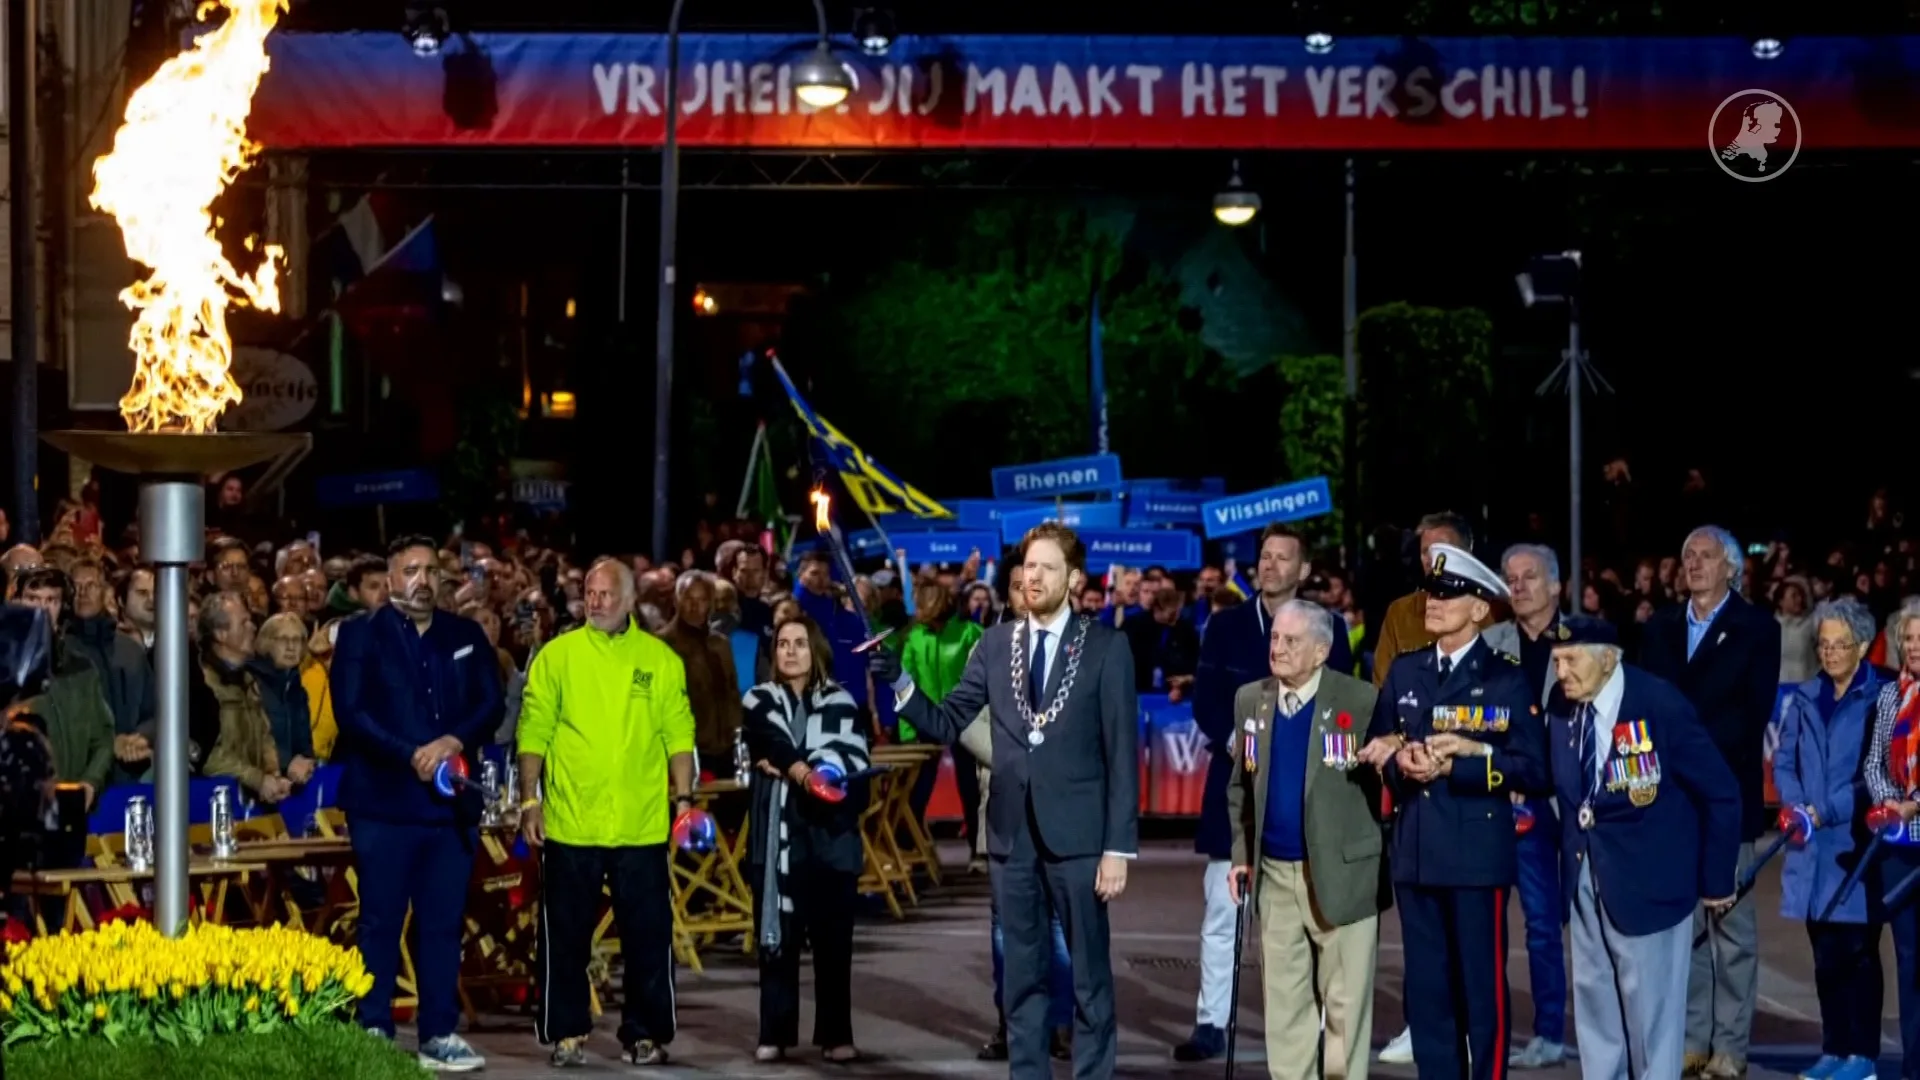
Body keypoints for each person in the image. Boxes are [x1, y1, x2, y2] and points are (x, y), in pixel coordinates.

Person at [872, 522, 1139, 1080]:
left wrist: (1119, 848)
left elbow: (1121, 755)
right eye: (1027, 567)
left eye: (1046, 568)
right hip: (1011, 838)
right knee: (1021, 980)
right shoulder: (995, 645)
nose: (1033, 577)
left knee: (1089, 981)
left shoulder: (1108, 648)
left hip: (1082, 841)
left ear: (1074, 579)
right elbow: (947, 721)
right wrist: (898, 682)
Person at [1358, 543, 1547, 1080]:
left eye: (1448, 593)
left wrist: (1457, 767)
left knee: (1480, 990)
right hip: (1416, 851)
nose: (1433, 602)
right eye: (1430, 592)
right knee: (1428, 992)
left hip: (1475, 855)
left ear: (1481, 608)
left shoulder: (1505, 677)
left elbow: (1533, 768)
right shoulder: (1407, 670)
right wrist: (1402, 762)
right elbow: (1381, 745)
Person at [517, 557, 698, 1068]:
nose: (594, 601)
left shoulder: (660, 659)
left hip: (640, 824)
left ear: (629, 597)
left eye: (604, 593)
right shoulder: (557, 656)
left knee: (648, 937)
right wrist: (531, 799)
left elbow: (678, 735)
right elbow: (534, 732)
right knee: (564, 936)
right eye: (589, 592)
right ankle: (565, 1033)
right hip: (572, 822)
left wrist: (683, 801)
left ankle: (645, 1034)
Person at [330, 535, 502, 1072]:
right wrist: (411, 755)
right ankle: (375, 1027)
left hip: (449, 809)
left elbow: (490, 704)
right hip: (382, 805)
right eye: (411, 570)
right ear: (389, 576)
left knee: (442, 923)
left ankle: (438, 1034)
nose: (422, 580)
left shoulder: (466, 634)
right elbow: (351, 713)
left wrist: (451, 742)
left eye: (430, 570)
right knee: (380, 920)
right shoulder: (360, 634)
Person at [1182, 522, 1351, 1062]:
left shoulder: (1332, 628)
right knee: (1221, 908)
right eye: (1265, 556)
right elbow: (1205, 700)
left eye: (1283, 558)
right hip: (1233, 787)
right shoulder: (1226, 625)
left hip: (1305, 795)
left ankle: (1322, 1026)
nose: (1270, 565)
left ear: (1304, 571)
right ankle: (1212, 1021)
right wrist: (1240, 742)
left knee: (1313, 914)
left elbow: (1342, 702)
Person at [1546, 624, 1740, 1080]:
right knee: (1596, 1012)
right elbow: (1546, 773)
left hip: (1651, 885)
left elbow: (1721, 792)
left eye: (1571, 659)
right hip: (1586, 878)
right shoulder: (1562, 705)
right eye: (1557, 661)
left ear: (1609, 658)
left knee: (1652, 1022)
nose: (1561, 672)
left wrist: (1715, 882)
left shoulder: (1659, 703)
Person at [1636, 526, 1782, 1080]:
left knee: (1732, 930)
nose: (1693, 564)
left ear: (1731, 568)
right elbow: (1645, 702)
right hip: (1669, 800)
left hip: (1724, 797)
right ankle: (1693, 1039)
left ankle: (1730, 1047)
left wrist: (1689, 754)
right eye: (1687, 556)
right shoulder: (1660, 629)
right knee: (1686, 928)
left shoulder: (1756, 629)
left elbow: (1751, 715)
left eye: (1705, 556)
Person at [1224, 599, 1385, 1080]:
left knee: (1344, 1006)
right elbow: (1241, 785)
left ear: (1321, 651)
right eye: (1275, 637)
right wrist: (1240, 854)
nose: (1278, 648)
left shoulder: (1361, 700)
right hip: (1274, 874)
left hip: (1342, 875)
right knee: (1286, 1009)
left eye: (1291, 641)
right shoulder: (1251, 698)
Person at [1483, 543, 1605, 1069]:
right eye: (1511, 578)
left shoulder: (1585, 639)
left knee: (1590, 920)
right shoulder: (1491, 642)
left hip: (1575, 802)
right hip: (1515, 801)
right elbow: (1476, 716)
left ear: (1556, 586)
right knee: (1534, 923)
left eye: (1530, 576)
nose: (1519, 586)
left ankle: (1607, 1028)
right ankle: (1546, 1033)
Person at [742, 612, 870, 1063]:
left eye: (799, 642)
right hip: (777, 838)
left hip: (829, 835)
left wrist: (800, 769)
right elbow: (770, 740)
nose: (791, 651)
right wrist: (807, 771)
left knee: (834, 942)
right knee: (779, 939)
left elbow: (851, 763)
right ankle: (774, 1032)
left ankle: (835, 1034)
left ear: (815, 650)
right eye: (783, 644)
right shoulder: (758, 699)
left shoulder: (842, 701)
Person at [1774, 597, 1885, 1080]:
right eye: (1823, 643)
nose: (1830, 652)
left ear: (1861, 646)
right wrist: (1798, 805)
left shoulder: (1881, 694)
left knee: (1856, 955)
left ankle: (1862, 1056)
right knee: (1823, 957)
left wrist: (1826, 810)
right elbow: (1783, 762)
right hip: (1810, 846)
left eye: (1840, 644)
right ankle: (1834, 1048)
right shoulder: (1804, 696)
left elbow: (1874, 774)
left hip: (1855, 846)